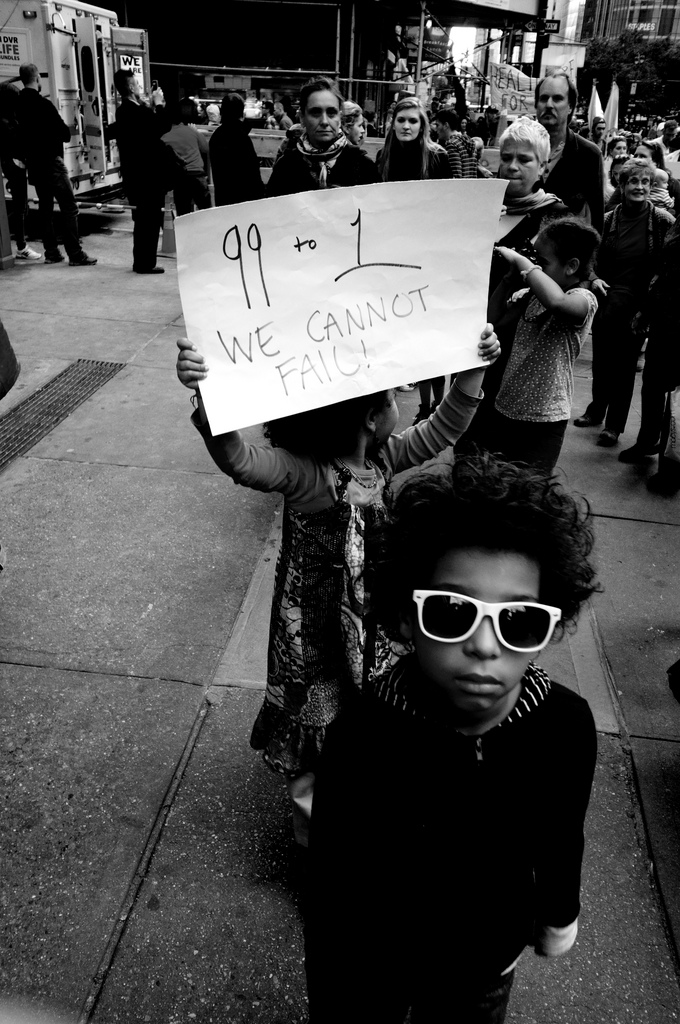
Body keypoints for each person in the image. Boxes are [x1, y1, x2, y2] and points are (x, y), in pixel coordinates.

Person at [175, 327, 500, 845]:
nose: (401, 403)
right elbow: (239, 459)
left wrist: (474, 366)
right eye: (395, 396)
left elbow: (445, 429)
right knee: (319, 731)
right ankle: (318, 845)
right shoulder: (306, 474)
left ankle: (367, 808)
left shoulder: (383, 459)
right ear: (372, 417)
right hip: (318, 639)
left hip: (377, 628)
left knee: (373, 720)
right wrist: (208, 395)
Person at [305, 452, 598, 1024]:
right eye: (451, 612)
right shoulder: (363, 732)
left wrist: (556, 915)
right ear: (406, 617)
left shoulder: (564, 725)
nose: (485, 646)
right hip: (373, 963)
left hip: (484, 962)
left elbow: (563, 833)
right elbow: (333, 879)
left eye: (517, 621)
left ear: (550, 625)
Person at [456, 118, 569, 455]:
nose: (513, 166)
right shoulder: (481, 207)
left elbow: (563, 285)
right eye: (506, 157)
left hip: (520, 353)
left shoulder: (556, 218)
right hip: (472, 340)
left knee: (507, 453)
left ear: (543, 166)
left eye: (524, 159)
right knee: (467, 439)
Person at [574, 158, 675, 447]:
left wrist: (652, 303)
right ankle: (596, 411)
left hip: (640, 304)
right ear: (622, 185)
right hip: (609, 299)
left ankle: (614, 427)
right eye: (634, 181)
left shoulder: (662, 220)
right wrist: (593, 278)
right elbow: (589, 257)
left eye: (645, 182)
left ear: (652, 186)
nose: (640, 187)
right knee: (602, 361)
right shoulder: (607, 220)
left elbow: (668, 264)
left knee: (626, 365)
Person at [487, 216, 600, 472]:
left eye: (542, 262)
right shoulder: (530, 295)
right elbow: (492, 321)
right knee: (498, 483)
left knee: (532, 491)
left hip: (546, 416)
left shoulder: (583, 298)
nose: (534, 267)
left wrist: (525, 265)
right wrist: (508, 280)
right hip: (506, 406)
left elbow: (558, 304)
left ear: (571, 266)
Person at [377, 97, 452, 424]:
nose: (406, 126)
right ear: (393, 123)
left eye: (413, 121)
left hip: (428, 257)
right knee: (395, 331)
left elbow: (450, 205)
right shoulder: (383, 157)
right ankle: (413, 404)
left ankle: (439, 404)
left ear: (423, 125)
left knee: (429, 335)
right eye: (401, 120)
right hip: (392, 256)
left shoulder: (437, 158)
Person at [16, 64, 96, 267]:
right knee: (69, 207)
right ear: (37, 79)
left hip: (34, 164)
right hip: (52, 162)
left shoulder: (18, 105)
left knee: (45, 208)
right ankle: (75, 254)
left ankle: (51, 252)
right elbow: (64, 133)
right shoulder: (44, 105)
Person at [620, 216, 680, 479]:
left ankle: (671, 463)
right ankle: (648, 441)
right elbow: (666, 270)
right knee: (654, 383)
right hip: (667, 313)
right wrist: (647, 309)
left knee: (677, 394)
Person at [267, 77, 379, 196]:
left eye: (331, 113)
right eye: (315, 112)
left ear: (340, 118)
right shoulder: (286, 168)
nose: (324, 121)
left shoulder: (363, 167)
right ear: (302, 118)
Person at [112, 68, 169, 274]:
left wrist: (149, 105)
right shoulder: (134, 111)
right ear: (129, 86)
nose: (140, 87)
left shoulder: (124, 111)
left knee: (143, 220)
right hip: (147, 176)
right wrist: (159, 104)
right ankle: (146, 263)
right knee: (149, 221)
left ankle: (142, 261)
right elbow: (162, 127)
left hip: (135, 175)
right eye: (136, 83)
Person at [535, 72, 605, 231]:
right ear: (536, 104)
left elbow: (596, 217)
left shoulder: (589, 154)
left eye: (558, 98)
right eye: (544, 98)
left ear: (571, 106)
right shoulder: (519, 144)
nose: (549, 105)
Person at [0, 82, 41, 261]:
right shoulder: (7, 122)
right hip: (14, 163)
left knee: (19, 207)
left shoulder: (8, 119)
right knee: (19, 207)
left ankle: (20, 244)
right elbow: (17, 142)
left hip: (12, 163)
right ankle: (21, 246)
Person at [208, 93, 264, 207]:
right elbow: (253, 173)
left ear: (222, 111)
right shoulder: (242, 137)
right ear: (241, 112)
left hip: (223, 199)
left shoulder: (216, 137)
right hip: (245, 202)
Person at [161, 100, 211, 216]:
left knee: (183, 213)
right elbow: (205, 148)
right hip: (198, 176)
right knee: (206, 211)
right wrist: (197, 132)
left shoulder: (164, 138)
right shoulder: (191, 131)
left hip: (180, 179)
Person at [431, 108, 478, 178]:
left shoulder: (452, 144)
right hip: (471, 187)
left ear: (446, 125)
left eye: (438, 125)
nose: (436, 129)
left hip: (460, 188)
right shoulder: (468, 140)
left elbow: (456, 176)